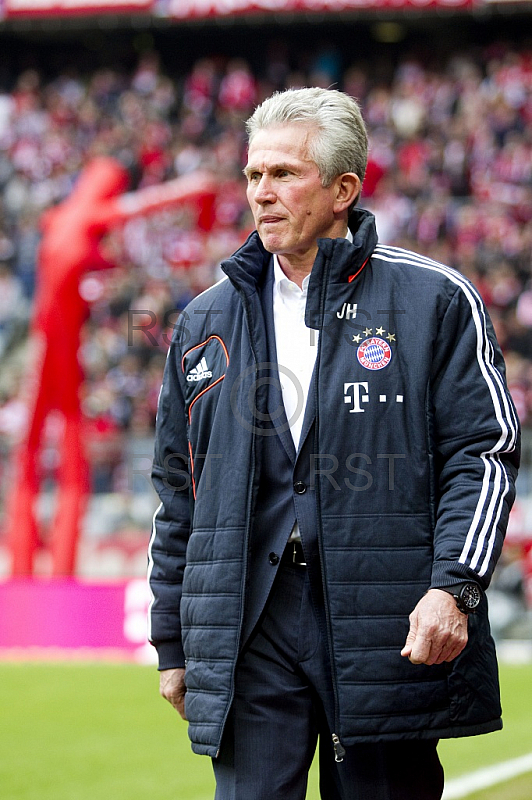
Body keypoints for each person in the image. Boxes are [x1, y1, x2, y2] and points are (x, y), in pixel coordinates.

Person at [148, 87, 520, 800]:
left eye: (285, 174)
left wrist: (454, 587)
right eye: (254, 175)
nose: (262, 193)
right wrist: (173, 638)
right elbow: (178, 489)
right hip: (252, 624)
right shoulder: (203, 321)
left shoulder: (434, 300)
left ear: (344, 188)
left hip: (385, 619)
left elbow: (484, 453)